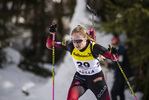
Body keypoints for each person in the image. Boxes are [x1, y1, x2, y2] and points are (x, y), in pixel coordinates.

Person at [46, 24, 118, 100]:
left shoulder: (94, 47)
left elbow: (114, 58)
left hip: (96, 79)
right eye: (74, 40)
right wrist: (51, 34)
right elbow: (50, 45)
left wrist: (114, 53)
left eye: (79, 41)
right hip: (80, 78)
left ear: (85, 38)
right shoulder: (70, 45)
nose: (76, 44)